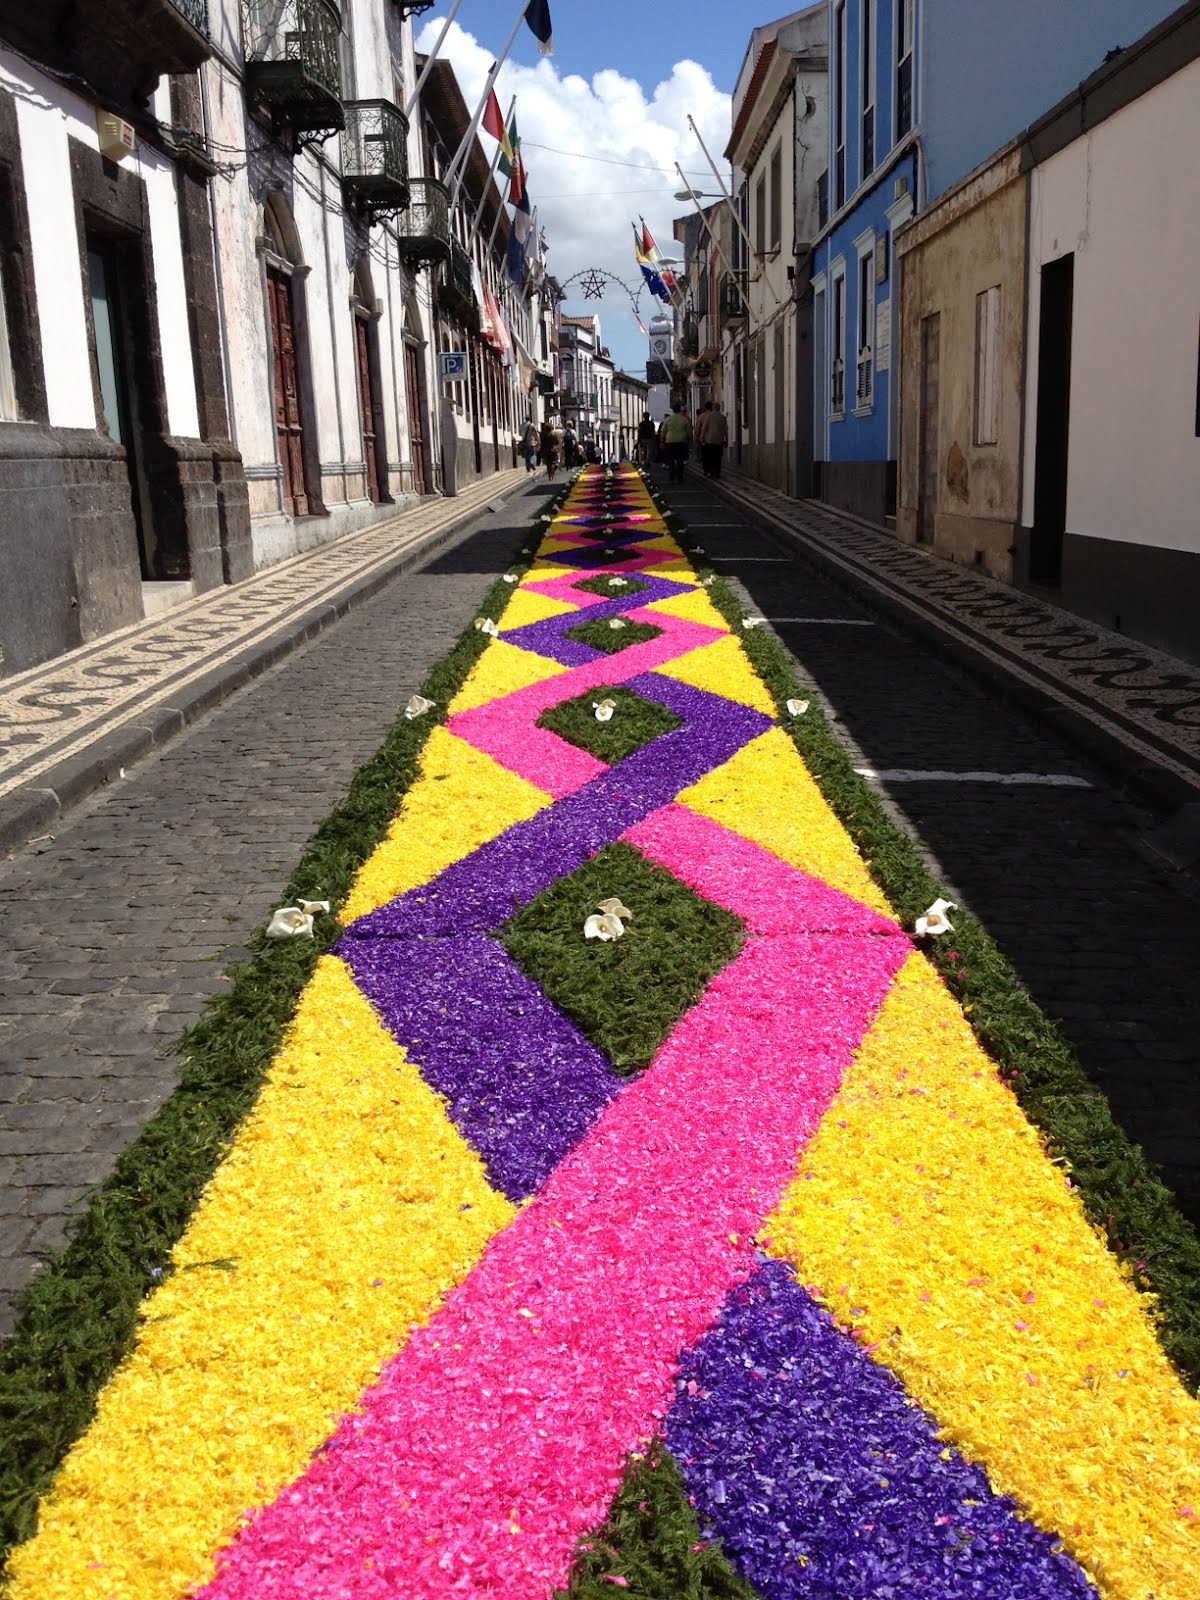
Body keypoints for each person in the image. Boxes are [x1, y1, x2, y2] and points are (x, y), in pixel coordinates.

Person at [658, 400, 692, 484]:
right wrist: (690, 440)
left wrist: (661, 442)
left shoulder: (668, 420)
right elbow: (689, 432)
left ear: (673, 410)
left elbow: (663, 432)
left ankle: (672, 476)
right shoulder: (684, 419)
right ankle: (680, 477)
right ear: (680, 410)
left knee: (670, 460)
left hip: (670, 442)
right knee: (680, 460)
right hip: (682, 442)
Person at [699, 402, 729, 479]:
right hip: (719, 440)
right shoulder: (722, 417)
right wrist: (726, 440)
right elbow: (726, 430)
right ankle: (717, 472)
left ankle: (712, 472)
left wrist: (702, 437)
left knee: (710, 457)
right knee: (718, 457)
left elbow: (704, 427)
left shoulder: (709, 416)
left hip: (710, 440)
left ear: (713, 408)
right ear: (719, 408)